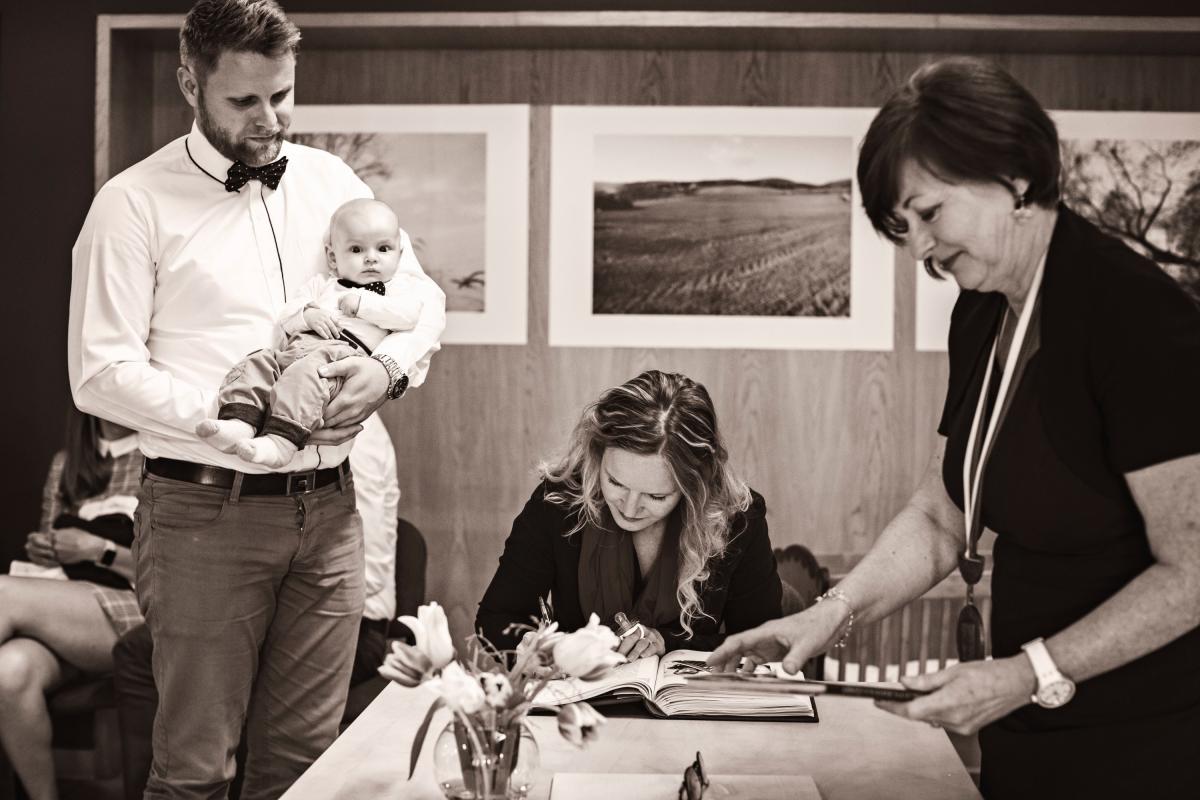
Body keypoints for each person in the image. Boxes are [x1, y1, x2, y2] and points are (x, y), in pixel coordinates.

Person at [708, 57, 1200, 799]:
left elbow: (1191, 572)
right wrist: (828, 615)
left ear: (1015, 176)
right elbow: (945, 512)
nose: (918, 249)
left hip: (1144, 738)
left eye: (930, 214)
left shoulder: (1136, 317)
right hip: (1027, 720)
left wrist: (1028, 672)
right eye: (902, 228)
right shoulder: (981, 311)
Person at [67, 1, 445, 797]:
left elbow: (420, 296)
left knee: (307, 768)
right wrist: (236, 421)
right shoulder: (132, 203)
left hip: (333, 513)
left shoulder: (332, 181)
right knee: (195, 770)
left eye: (281, 94)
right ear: (190, 84)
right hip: (205, 512)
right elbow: (99, 371)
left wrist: (388, 372)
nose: (269, 119)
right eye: (244, 100)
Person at [111, 412, 400, 800]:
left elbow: (365, 567)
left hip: (357, 620)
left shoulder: (346, 426)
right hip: (240, 554)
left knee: (293, 766)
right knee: (193, 766)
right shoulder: (269, 411)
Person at [477, 370, 782, 661]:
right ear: (597, 455)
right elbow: (496, 618)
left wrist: (667, 643)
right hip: (578, 694)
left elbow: (763, 643)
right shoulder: (559, 501)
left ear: (695, 488)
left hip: (684, 698)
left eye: (656, 496)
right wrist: (530, 649)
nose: (629, 508)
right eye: (615, 482)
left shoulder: (734, 517)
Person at [197, 197, 427, 468]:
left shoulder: (398, 291)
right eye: (356, 249)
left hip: (339, 357)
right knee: (258, 361)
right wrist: (307, 315)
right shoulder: (321, 284)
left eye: (383, 249)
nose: (371, 257)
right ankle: (240, 422)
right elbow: (287, 316)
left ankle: (280, 442)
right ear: (333, 257)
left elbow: (408, 317)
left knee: (304, 377)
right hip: (295, 348)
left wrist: (364, 304)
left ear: (399, 255)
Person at [0, 409, 142, 800]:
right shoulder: (66, 463)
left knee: (2, 593)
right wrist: (47, 549)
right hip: (63, 606)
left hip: (131, 608)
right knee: (9, 671)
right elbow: (50, 547)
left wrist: (100, 550)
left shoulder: (159, 457)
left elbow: (171, 570)